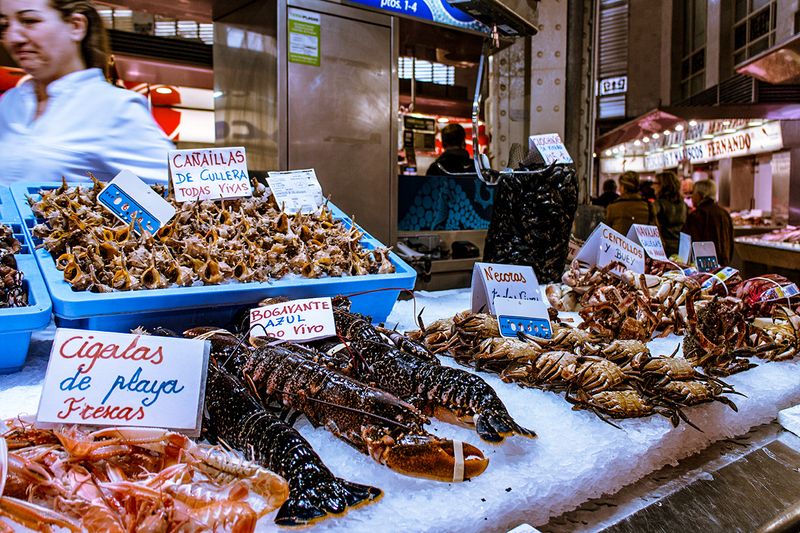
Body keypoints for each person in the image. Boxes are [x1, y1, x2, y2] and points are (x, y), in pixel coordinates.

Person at [0, 0, 174, 185]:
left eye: (30, 20)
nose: (13, 38)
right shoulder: (10, 103)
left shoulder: (114, 107)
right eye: (4, 25)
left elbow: (180, 193)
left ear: (76, 26)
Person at [682, 179, 734, 265]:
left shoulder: (696, 215)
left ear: (700, 195)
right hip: (723, 264)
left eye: (693, 193)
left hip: (702, 266)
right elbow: (730, 241)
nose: (692, 197)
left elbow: (688, 245)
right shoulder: (724, 213)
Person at [605, 171, 655, 236]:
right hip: (640, 245)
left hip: (619, 245)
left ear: (623, 187)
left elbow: (606, 232)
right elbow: (655, 231)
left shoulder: (613, 207)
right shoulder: (648, 206)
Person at [653, 171, 687, 257]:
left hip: (664, 247)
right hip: (682, 246)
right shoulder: (683, 204)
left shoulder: (658, 205)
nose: (653, 186)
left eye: (655, 183)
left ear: (663, 185)